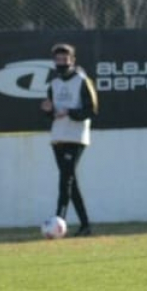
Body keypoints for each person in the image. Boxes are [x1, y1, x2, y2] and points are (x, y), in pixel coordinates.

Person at [40, 43, 96, 237]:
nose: (61, 63)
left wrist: (70, 112)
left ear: (73, 61)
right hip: (58, 137)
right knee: (69, 181)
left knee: (65, 181)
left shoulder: (82, 81)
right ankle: (85, 225)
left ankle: (58, 222)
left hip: (76, 137)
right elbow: (52, 113)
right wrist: (48, 111)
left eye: (65, 60)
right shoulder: (53, 84)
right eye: (58, 60)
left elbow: (91, 109)